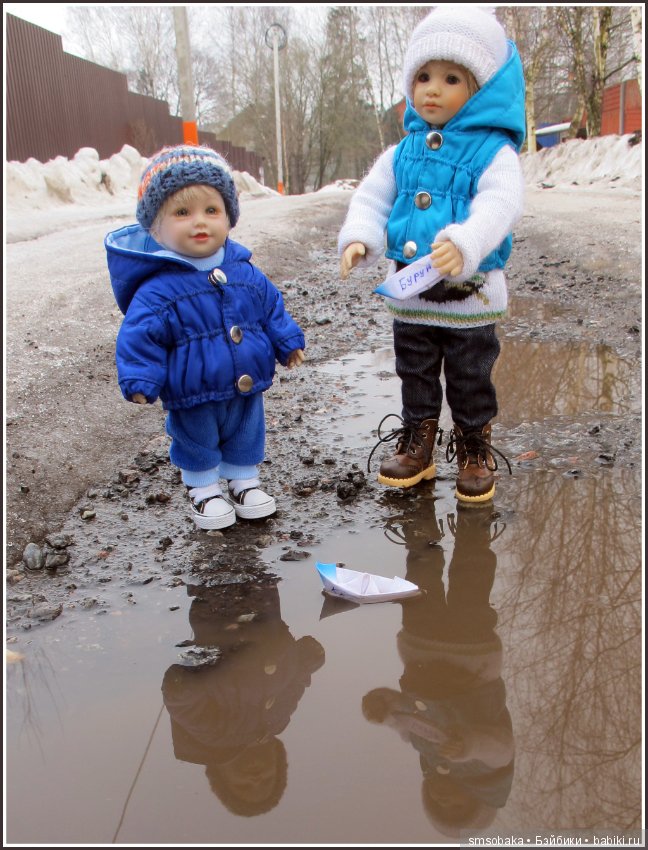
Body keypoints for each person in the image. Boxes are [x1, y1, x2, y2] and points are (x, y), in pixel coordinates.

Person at [338, 5, 526, 504]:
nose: (432, 90)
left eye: (450, 78)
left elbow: (500, 203)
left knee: (470, 374)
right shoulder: (402, 151)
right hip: (412, 295)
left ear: (480, 88)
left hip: (470, 296)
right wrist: (360, 236)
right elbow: (373, 196)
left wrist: (466, 240)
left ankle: (472, 444)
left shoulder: (493, 152)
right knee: (415, 370)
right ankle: (418, 440)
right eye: (422, 77)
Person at [105, 144, 305, 530]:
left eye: (211, 210)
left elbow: (270, 307)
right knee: (196, 436)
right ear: (155, 227)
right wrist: (141, 379)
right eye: (182, 212)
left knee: (247, 430)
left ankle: (245, 482)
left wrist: (287, 341)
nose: (200, 222)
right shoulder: (157, 289)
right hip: (191, 386)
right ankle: (203, 489)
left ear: (229, 217)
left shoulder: (245, 271)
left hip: (245, 383)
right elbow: (139, 335)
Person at [363, 499, 514, 838]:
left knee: (419, 578)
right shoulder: (490, 764)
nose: (444, 799)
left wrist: (381, 708)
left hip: (422, 647)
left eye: (437, 804)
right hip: (471, 654)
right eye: (457, 807)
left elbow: (405, 720)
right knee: (472, 580)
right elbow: (501, 745)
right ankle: (474, 527)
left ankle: (420, 525)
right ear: (478, 797)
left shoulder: (428, 751)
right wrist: (469, 745)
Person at [162, 580, 325, 816]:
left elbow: (181, 701)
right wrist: (307, 661)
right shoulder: (278, 722)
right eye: (267, 780)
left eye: (244, 785)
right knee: (258, 566)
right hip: (268, 618)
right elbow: (294, 685)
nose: (256, 778)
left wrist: (201, 677)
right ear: (279, 766)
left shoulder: (215, 736)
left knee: (214, 569)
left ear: (221, 775)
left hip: (218, 620)